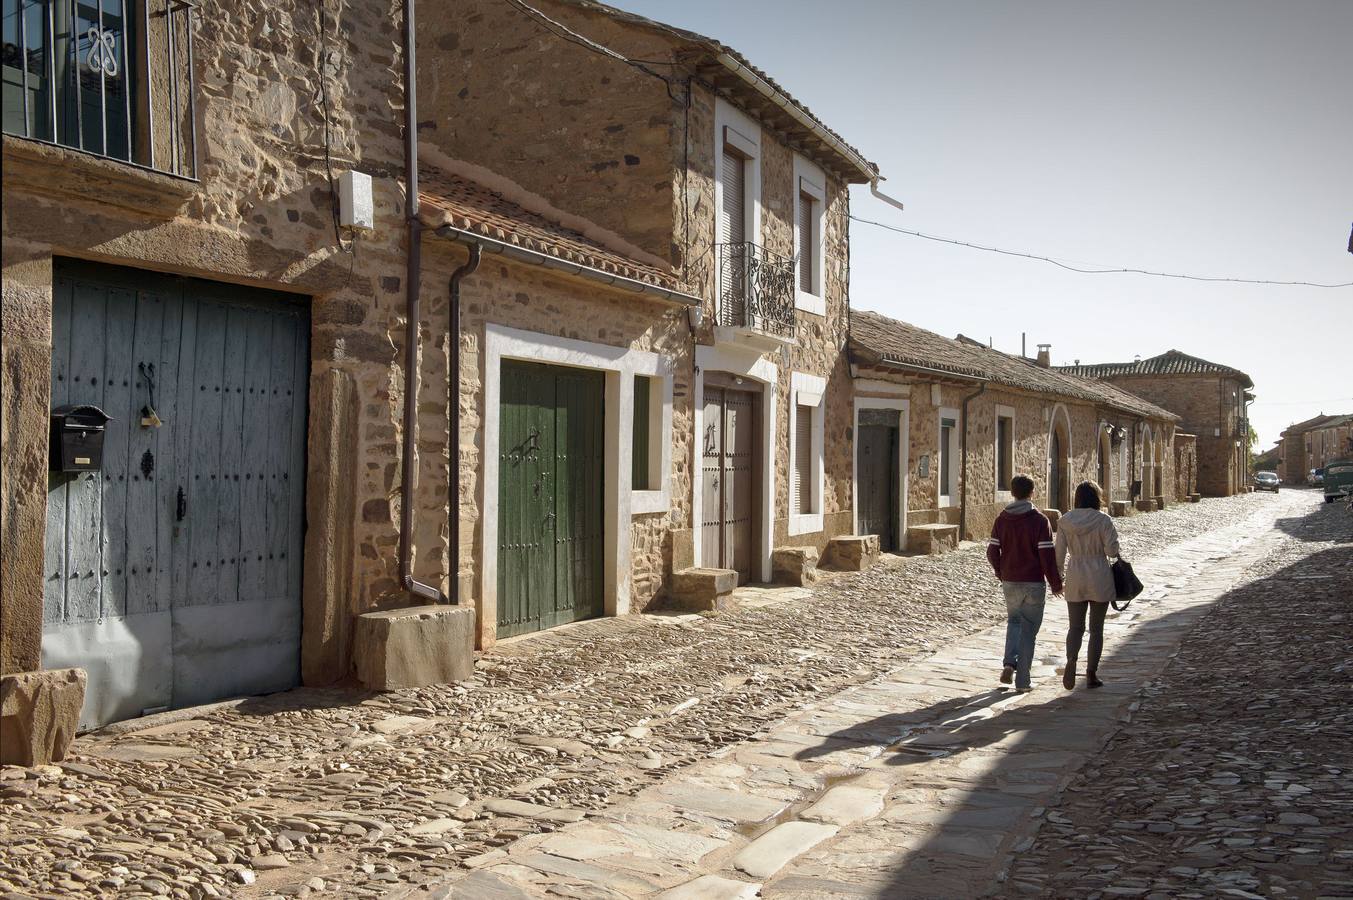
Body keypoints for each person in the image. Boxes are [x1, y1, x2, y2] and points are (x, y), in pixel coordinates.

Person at [987, 474, 1063, 692]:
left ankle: (1010, 663)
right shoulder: (1040, 521)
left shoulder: (1001, 519)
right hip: (1033, 582)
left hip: (1010, 581)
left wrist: (1001, 572)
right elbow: (1046, 556)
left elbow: (992, 551)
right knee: (1029, 629)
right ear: (1032, 492)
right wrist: (1056, 584)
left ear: (1012, 492)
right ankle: (1023, 681)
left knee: (1014, 622)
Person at [1054, 480, 1121, 690]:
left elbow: (1059, 554)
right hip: (1099, 574)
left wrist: (1058, 578)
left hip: (1075, 573)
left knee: (1075, 627)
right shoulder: (1103, 520)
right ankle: (1091, 673)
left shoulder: (1065, 520)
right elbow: (1111, 551)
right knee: (1096, 629)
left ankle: (1072, 660)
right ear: (1096, 497)